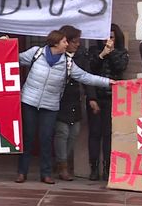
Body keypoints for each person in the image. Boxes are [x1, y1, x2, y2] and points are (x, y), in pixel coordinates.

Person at [15, 30, 114, 185]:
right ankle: (22, 172)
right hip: (29, 102)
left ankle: (46, 174)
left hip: (50, 105)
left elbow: (85, 76)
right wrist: (3, 44)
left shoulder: (67, 62)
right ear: (55, 43)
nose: (67, 44)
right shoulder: (36, 53)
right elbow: (14, 58)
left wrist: (107, 81)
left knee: (46, 138)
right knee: (27, 137)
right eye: (64, 42)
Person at [86, 23, 129, 181]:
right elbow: (90, 69)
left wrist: (111, 53)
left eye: (111, 37)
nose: (108, 40)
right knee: (94, 133)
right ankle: (94, 168)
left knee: (108, 134)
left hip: (113, 98)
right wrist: (102, 54)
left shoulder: (121, 52)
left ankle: (107, 167)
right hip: (96, 97)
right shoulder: (93, 51)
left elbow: (120, 68)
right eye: (105, 37)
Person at [54, 25, 89, 181]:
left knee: (74, 133)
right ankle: (63, 166)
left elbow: (87, 77)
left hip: (75, 99)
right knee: (62, 133)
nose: (77, 44)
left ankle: (62, 161)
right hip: (59, 100)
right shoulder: (55, 56)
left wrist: (92, 97)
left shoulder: (81, 56)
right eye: (74, 41)